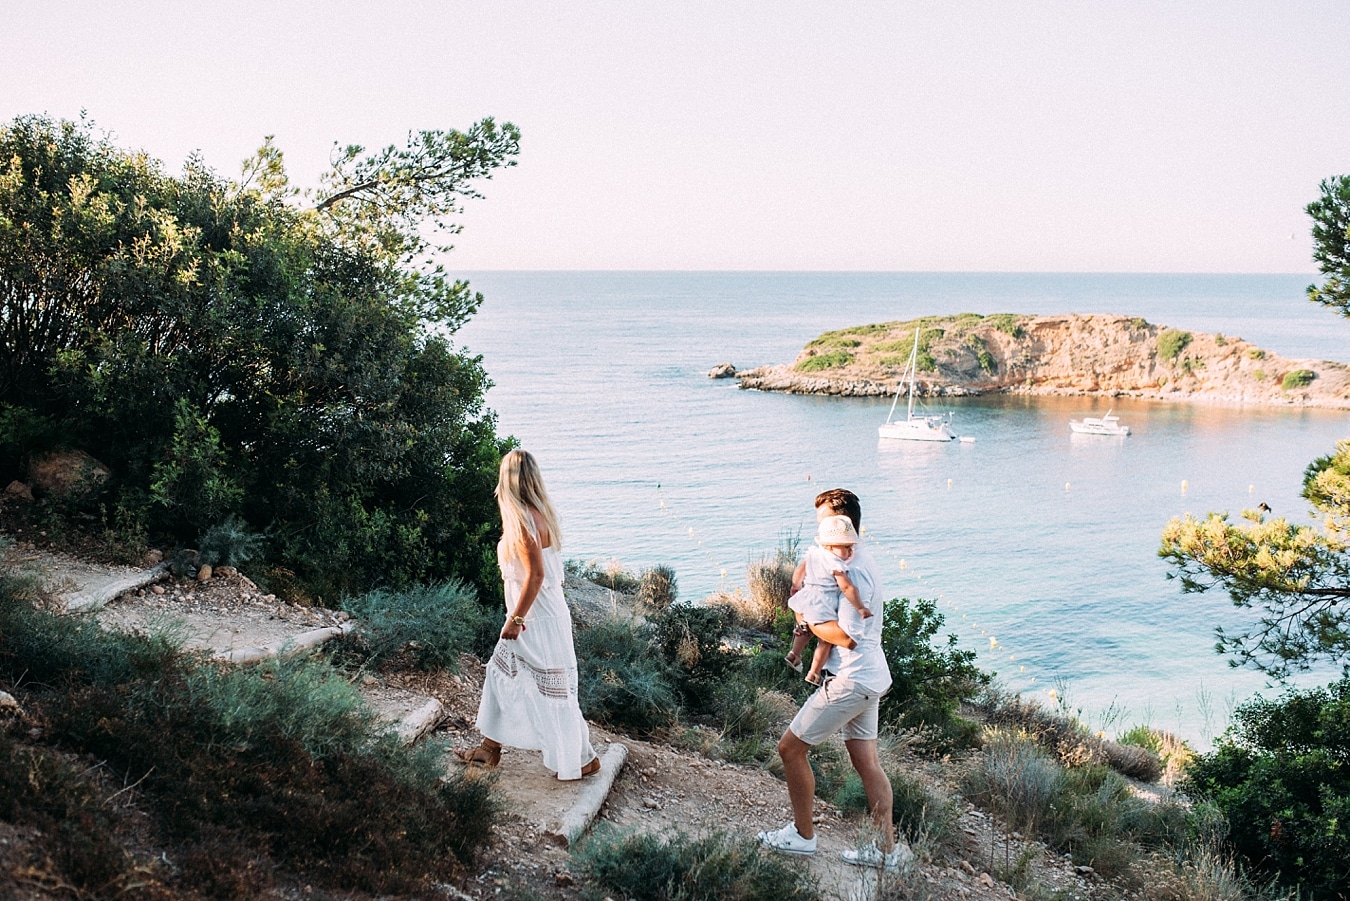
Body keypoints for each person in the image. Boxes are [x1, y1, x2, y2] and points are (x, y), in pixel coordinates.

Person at [758, 488, 913, 871]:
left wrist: (805, 621)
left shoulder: (852, 570)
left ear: (843, 523)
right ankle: (886, 851)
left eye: (824, 522)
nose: (819, 532)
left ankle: (802, 836)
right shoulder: (859, 558)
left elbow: (843, 636)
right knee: (867, 763)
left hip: (850, 679)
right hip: (870, 675)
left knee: (790, 749)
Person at [456, 449, 601, 781]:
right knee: (517, 677)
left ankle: (578, 759)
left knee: (521, 678)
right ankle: (493, 749)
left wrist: (515, 619)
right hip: (548, 615)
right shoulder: (540, 514)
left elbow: (535, 576)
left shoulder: (523, 522)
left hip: (534, 619)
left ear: (508, 481)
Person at [785, 515, 872, 685]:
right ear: (831, 546)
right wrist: (860, 608)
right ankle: (814, 673)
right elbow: (847, 588)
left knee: (804, 629)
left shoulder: (812, 553)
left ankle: (794, 654)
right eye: (846, 547)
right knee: (826, 641)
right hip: (822, 601)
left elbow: (799, 572)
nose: (850, 551)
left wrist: (796, 586)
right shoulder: (835, 563)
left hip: (807, 596)